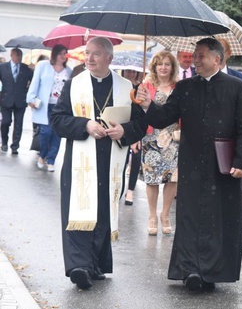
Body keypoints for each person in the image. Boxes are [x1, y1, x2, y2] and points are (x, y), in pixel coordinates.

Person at [136, 38, 242, 291]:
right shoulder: (186, 87)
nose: (195, 60)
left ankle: (211, 272)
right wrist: (147, 104)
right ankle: (189, 269)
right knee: (190, 216)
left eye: (201, 56)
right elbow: (165, 117)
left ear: (217, 59)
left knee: (217, 217)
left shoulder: (237, 87)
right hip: (192, 163)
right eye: (194, 55)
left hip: (224, 166)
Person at [50, 37, 146, 290]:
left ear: (110, 59)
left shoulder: (127, 88)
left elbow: (139, 125)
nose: (89, 58)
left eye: (96, 54)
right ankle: (78, 266)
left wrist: (124, 132)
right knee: (78, 210)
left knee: (102, 210)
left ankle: (94, 264)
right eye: (87, 53)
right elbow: (58, 120)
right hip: (80, 161)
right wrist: (85, 124)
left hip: (110, 160)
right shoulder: (74, 84)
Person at [138, 52, 180, 235]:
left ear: (172, 67)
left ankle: (166, 214)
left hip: (172, 138)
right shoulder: (146, 86)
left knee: (173, 178)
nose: (163, 67)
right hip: (151, 137)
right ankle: (152, 216)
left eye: (167, 64)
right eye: (160, 64)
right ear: (154, 67)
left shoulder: (179, 87)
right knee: (152, 178)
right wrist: (135, 137)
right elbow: (138, 113)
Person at [26, 44, 72, 172]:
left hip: (60, 106)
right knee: (46, 132)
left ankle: (51, 160)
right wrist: (31, 98)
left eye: (65, 53)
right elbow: (35, 82)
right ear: (55, 54)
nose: (63, 56)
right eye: (61, 53)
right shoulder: (43, 66)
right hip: (45, 105)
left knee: (57, 134)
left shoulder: (68, 71)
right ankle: (42, 155)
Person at [0, 48, 34, 154]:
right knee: (6, 122)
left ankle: (15, 146)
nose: (19, 57)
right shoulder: (2, 67)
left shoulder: (26, 68)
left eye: (21, 55)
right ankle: (4, 142)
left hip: (20, 100)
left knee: (18, 124)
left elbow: (33, 82)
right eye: (17, 55)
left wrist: (28, 92)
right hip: (5, 99)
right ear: (11, 55)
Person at [120, 69, 145, 206]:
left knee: (136, 157)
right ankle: (119, 186)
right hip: (121, 125)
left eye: (132, 72)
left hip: (135, 126)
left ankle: (130, 190)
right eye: (127, 71)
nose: (130, 74)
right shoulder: (119, 86)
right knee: (121, 159)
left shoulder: (140, 88)